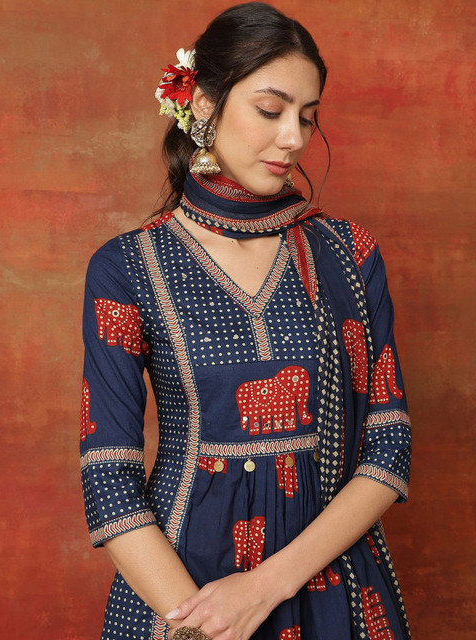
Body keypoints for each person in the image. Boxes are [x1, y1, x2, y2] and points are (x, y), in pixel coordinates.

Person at [79, 3, 412, 639]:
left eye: (306, 117)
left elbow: (388, 444)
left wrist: (263, 588)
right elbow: (109, 474)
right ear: (203, 104)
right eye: (270, 110)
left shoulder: (348, 254)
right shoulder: (128, 267)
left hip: (332, 588)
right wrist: (201, 626)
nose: (294, 138)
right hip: (179, 592)